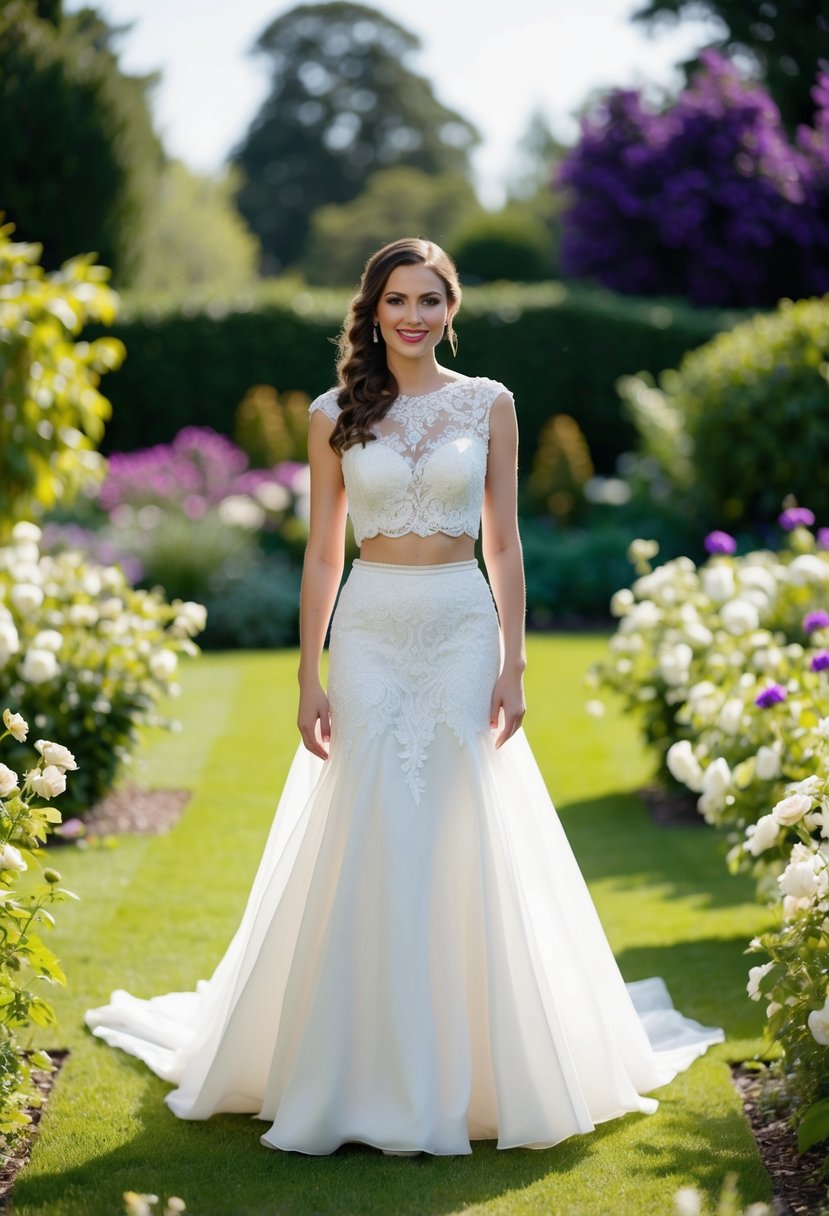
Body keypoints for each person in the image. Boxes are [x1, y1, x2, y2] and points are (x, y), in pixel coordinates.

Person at [85, 237, 722, 1158]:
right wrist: (309, 673)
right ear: (372, 310)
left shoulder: (490, 405)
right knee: (375, 816)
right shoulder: (333, 413)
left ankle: (478, 1065)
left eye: (429, 299)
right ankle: (358, 1064)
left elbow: (503, 545)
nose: (413, 315)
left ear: (449, 309)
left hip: (463, 625)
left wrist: (515, 661)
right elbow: (319, 553)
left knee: (461, 816)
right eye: (397, 300)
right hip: (373, 627)